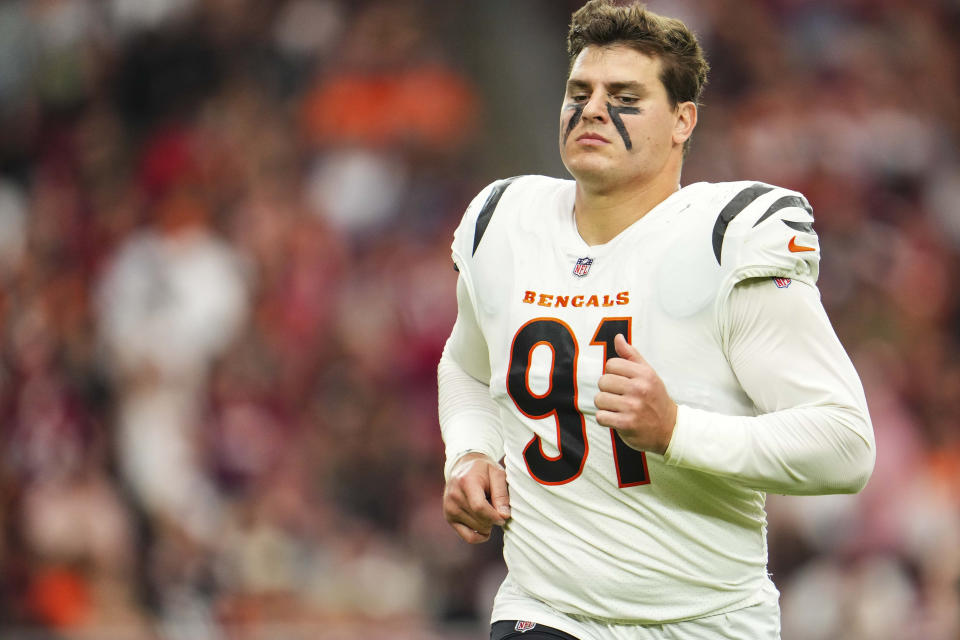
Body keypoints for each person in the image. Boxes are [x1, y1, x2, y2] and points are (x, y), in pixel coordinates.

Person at [437, 1, 875, 638]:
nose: (592, 109)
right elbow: (468, 367)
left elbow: (845, 447)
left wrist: (676, 431)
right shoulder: (503, 221)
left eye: (624, 96)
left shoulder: (727, 238)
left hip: (704, 619)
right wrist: (470, 453)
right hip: (547, 609)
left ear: (682, 121)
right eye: (579, 92)